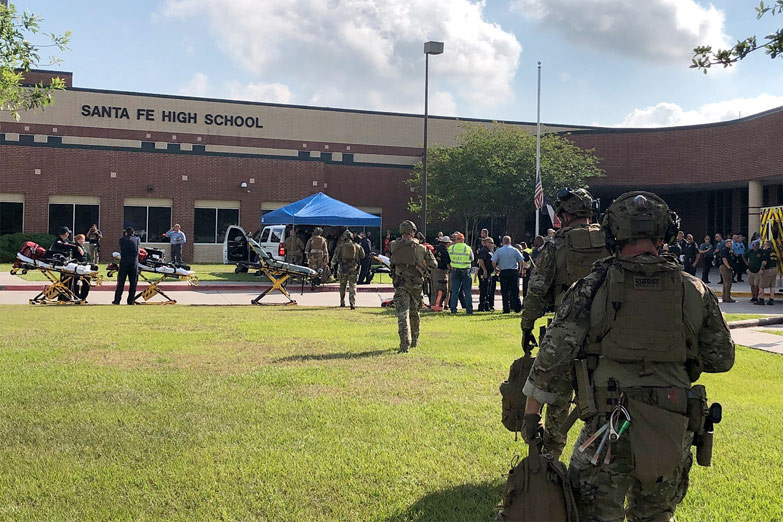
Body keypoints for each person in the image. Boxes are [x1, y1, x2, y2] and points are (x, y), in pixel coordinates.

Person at [521, 191, 734, 521]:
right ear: (664, 235)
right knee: (655, 515)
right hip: (672, 422)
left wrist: (532, 416)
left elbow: (552, 357)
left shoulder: (592, 286)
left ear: (612, 234)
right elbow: (721, 358)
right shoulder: (694, 289)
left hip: (608, 426)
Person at [520, 187, 608, 457]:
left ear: (564, 215)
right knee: (604, 393)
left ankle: (551, 456)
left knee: (557, 394)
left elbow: (537, 290)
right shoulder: (610, 241)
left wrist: (527, 325)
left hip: (566, 327)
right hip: (607, 330)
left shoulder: (556, 245)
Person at [389, 220, 436, 353]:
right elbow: (434, 264)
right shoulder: (421, 248)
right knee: (415, 311)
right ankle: (415, 339)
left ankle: (404, 343)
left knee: (402, 313)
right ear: (413, 231)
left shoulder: (393, 245)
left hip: (400, 283)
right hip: (416, 284)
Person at [491, 236, 524, 314]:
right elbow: (521, 260)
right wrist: (520, 270)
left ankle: (506, 308)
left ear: (503, 242)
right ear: (510, 241)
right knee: (515, 290)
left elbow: (493, 261)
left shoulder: (499, 251)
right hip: (513, 272)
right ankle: (517, 308)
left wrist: (496, 269)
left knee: (505, 291)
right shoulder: (515, 250)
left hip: (504, 272)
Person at [336, 230, 364, 309]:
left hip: (344, 268)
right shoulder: (357, 246)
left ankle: (342, 301)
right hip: (353, 268)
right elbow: (363, 256)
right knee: (353, 285)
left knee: (342, 285)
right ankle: (352, 303)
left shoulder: (341, 246)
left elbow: (336, 257)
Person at [447, 231, 474, 315]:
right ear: (463, 239)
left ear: (456, 239)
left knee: (455, 291)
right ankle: (469, 310)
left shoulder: (451, 248)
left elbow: (449, 258)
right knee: (467, 291)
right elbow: (472, 258)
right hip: (465, 271)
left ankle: (453, 309)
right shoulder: (468, 248)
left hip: (455, 270)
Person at [113, 227, 140, 305]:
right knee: (133, 283)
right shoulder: (137, 239)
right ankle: (130, 300)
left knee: (121, 282)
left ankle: (117, 300)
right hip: (134, 263)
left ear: (126, 233)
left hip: (124, 262)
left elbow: (122, 248)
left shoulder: (122, 240)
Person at [431, 235, 451, 311]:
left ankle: (433, 305)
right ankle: (438, 306)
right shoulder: (445, 251)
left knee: (434, 289)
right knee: (441, 289)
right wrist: (450, 270)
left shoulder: (435, 248)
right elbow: (448, 264)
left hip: (433, 270)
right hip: (441, 272)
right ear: (447, 243)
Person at [477, 237, 496, 312]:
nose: (493, 244)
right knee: (484, 289)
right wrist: (484, 270)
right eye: (491, 243)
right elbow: (481, 260)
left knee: (488, 290)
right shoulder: (484, 250)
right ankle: (482, 306)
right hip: (484, 272)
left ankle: (487, 305)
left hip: (489, 273)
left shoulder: (490, 251)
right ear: (487, 243)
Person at [759, 239, 778, 305]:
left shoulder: (766, 252)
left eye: (764, 245)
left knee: (762, 285)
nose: (764, 246)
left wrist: (761, 269)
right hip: (774, 269)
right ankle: (771, 300)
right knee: (772, 286)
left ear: (767, 245)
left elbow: (764, 261)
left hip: (767, 270)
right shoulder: (774, 252)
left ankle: (761, 300)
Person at [718, 238, 736, 303]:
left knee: (726, 282)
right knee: (728, 282)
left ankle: (725, 297)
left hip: (727, 267)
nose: (731, 244)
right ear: (726, 244)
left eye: (731, 243)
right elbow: (724, 259)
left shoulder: (730, 250)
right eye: (730, 243)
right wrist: (729, 267)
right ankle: (727, 297)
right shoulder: (724, 250)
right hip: (725, 267)